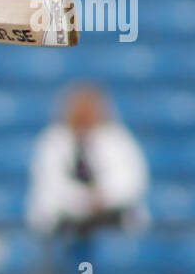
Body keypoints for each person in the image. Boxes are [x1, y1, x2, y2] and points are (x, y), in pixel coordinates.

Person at [26, 83, 149, 236]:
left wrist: (103, 197)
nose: (84, 113)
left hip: (110, 218)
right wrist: (85, 201)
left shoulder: (117, 138)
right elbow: (51, 185)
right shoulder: (52, 140)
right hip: (63, 223)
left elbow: (132, 182)